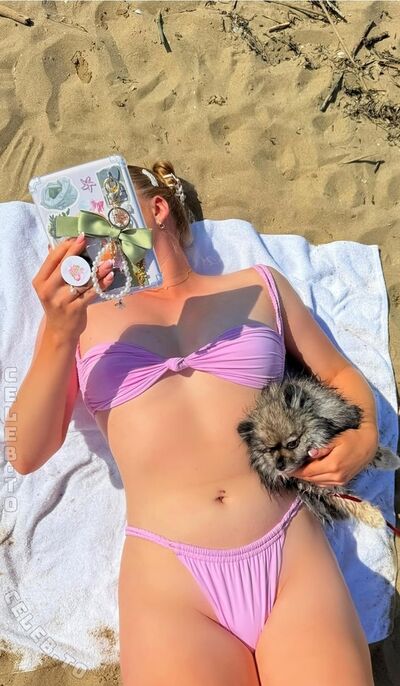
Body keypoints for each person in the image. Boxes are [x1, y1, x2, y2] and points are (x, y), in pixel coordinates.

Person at [5, 160, 378, 686]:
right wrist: (59, 332)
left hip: (290, 555)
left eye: (97, 212)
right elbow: (24, 452)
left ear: (156, 208)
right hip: (171, 583)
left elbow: (339, 373)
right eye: (69, 227)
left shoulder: (257, 285)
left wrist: (364, 437)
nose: (84, 236)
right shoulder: (79, 322)